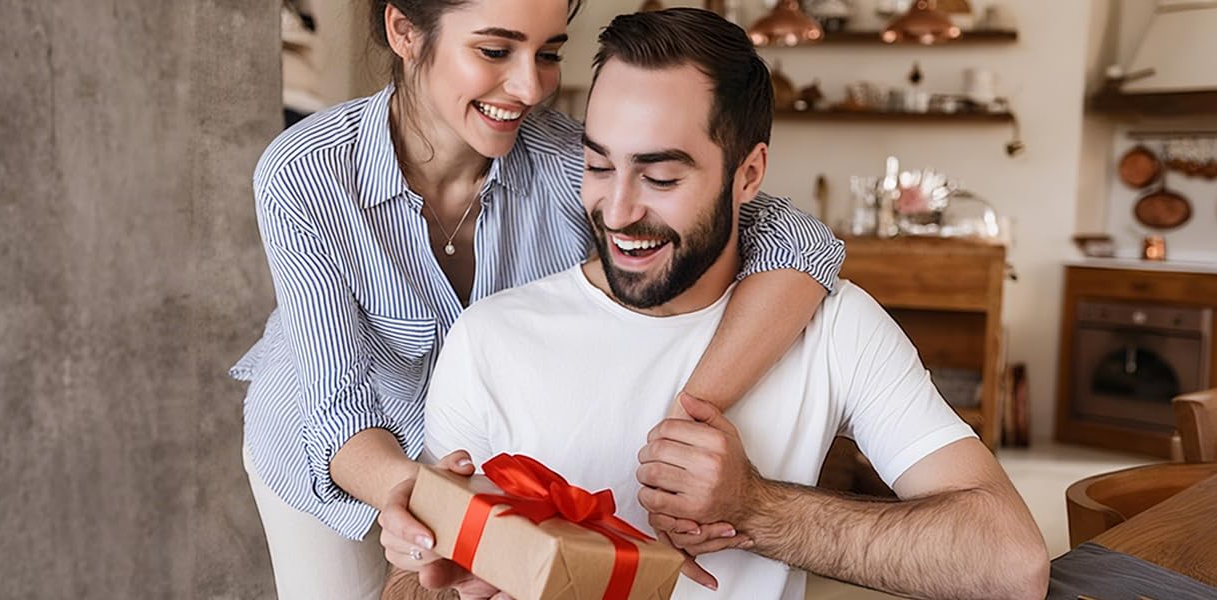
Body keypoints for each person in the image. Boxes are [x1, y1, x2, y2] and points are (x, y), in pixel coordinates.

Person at [390, 8, 1048, 599]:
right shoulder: (490, 339)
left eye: (662, 176)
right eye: (597, 166)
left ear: (750, 174)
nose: (617, 211)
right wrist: (445, 579)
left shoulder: (833, 327)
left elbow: (1012, 563)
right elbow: (409, 586)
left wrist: (757, 509)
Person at [230, 0, 845, 597]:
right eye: (496, 49)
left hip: (480, 453)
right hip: (329, 451)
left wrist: (682, 427)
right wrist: (416, 493)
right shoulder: (305, 172)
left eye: (549, 52)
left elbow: (803, 243)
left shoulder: (568, 162)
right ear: (404, 31)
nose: (528, 87)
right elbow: (335, 401)